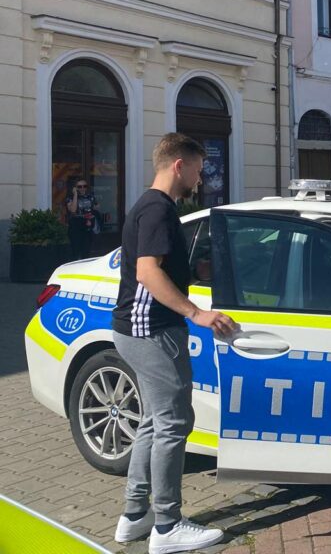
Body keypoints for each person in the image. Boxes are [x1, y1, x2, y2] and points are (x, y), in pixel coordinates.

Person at [111, 133, 238, 552]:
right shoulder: (158, 209)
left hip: (140, 330)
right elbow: (148, 272)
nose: (201, 179)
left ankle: (135, 516)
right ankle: (167, 526)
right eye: (199, 170)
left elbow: (158, 267)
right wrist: (196, 313)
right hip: (152, 331)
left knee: (154, 420)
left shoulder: (150, 207)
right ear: (179, 165)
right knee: (173, 422)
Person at [65, 177, 100, 260]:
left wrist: (91, 213)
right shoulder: (70, 197)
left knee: (86, 250)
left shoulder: (90, 196)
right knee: (76, 250)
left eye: (84, 186)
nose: (82, 188)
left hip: (88, 224)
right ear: (75, 187)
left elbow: (97, 207)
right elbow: (73, 210)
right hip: (76, 225)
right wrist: (75, 195)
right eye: (79, 186)